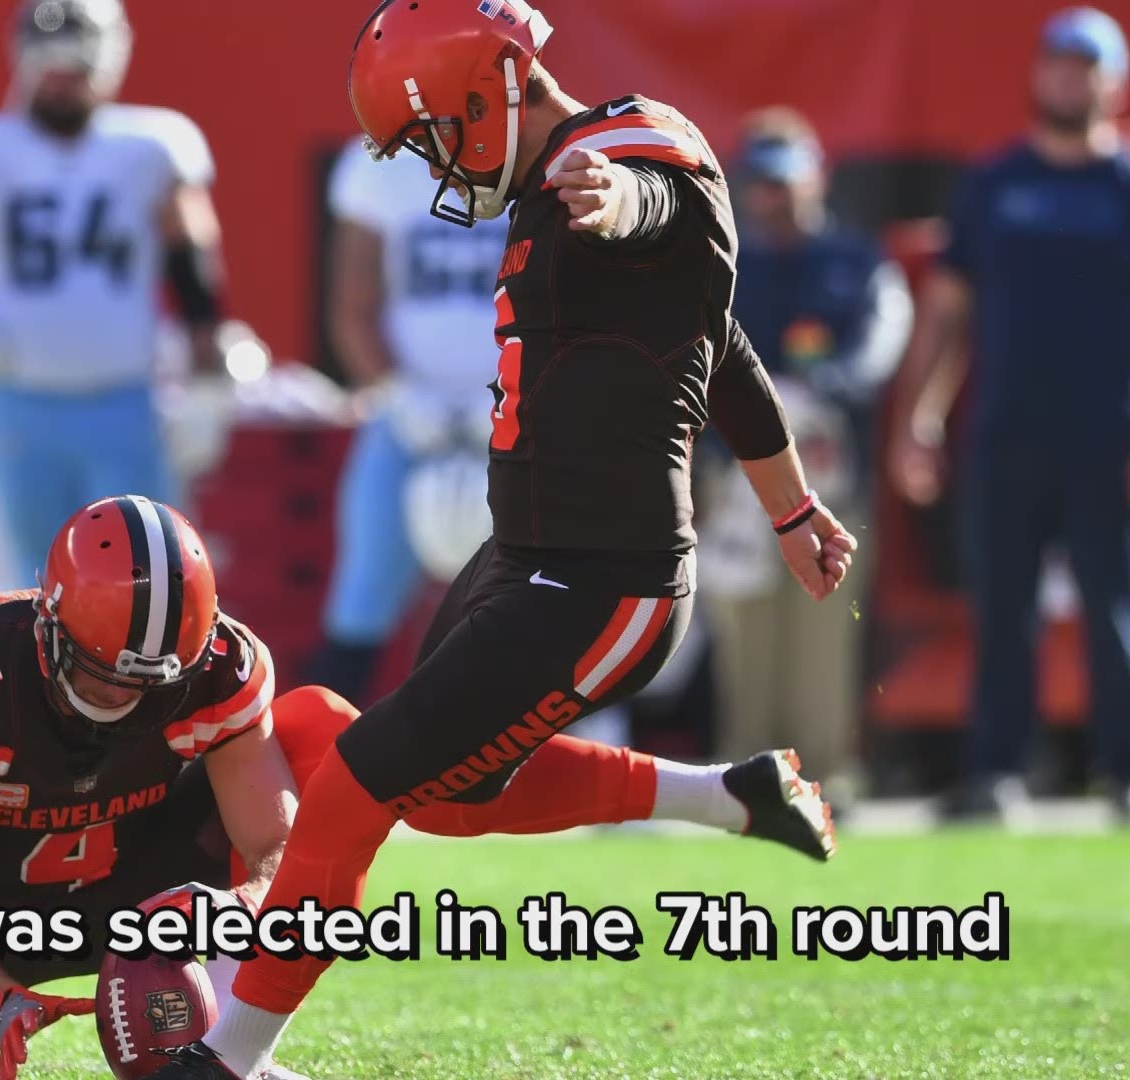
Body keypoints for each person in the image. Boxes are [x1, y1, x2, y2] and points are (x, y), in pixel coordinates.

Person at [150, 2, 855, 1076]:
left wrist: (622, 201)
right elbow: (722, 347)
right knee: (436, 795)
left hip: (608, 580)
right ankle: (729, 793)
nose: (433, 157)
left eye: (434, 128)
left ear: (499, 84)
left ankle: (232, 1058)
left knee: (352, 780)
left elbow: (657, 196)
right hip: (521, 553)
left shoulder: (629, 146)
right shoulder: (540, 184)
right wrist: (792, 507)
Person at [0, 495, 833, 1079]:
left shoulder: (220, 668)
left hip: (148, 880)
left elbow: (274, 851)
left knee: (336, 737)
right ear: (47, 628)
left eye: (149, 681)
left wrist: (203, 930)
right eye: (96, 674)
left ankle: (718, 796)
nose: (118, 700)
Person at [889, 6, 1130, 826]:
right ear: (1037, 75)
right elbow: (946, 314)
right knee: (1001, 615)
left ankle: (1128, 775)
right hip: (1003, 438)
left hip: (1108, 439)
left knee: (1113, 611)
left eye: (1086, 66)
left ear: (1115, 81)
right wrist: (917, 420)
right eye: (1056, 64)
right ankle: (996, 776)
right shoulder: (995, 184)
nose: (1068, 80)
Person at [0, 0, 233, 580]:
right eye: (51, 68)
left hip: (123, 399)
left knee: (146, 577)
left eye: (77, 68)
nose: (63, 83)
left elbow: (190, 252)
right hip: (17, 396)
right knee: (37, 582)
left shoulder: (154, 142)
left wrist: (208, 375)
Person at [701, 108, 912, 804]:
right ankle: (745, 773)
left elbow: (881, 344)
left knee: (824, 630)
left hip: (827, 470)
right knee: (744, 632)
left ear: (817, 177)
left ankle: (824, 773)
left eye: (787, 180)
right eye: (762, 182)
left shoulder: (857, 260)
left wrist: (820, 389)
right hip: (736, 481)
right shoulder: (720, 262)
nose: (775, 196)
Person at [307, 135, 505, 704]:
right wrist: (394, 393)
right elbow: (351, 309)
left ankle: (545, 770)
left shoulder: (539, 149)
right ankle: (320, 760)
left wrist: (522, 398)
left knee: (528, 602)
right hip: (406, 420)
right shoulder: (381, 166)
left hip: (519, 424)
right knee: (360, 598)